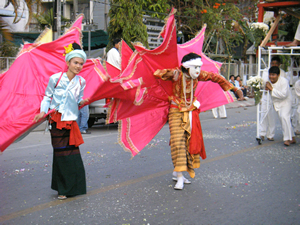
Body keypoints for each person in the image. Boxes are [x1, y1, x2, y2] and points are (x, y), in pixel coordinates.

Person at [154, 53, 242, 190]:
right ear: (186, 67)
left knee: (189, 143)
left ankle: (177, 172)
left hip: (191, 111)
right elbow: (156, 74)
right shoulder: (176, 74)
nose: (198, 71)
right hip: (176, 111)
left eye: (199, 67)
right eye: (195, 67)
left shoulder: (198, 75)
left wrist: (234, 88)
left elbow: (215, 77)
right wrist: (164, 71)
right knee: (178, 142)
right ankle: (179, 177)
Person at [33, 42, 89, 199]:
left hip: (71, 123)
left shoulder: (81, 82)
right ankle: (63, 189)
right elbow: (47, 97)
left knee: (73, 155)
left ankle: (75, 187)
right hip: (56, 121)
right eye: (75, 62)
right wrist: (43, 111)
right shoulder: (55, 79)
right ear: (68, 62)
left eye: (81, 64)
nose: (78, 66)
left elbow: (78, 101)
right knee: (61, 155)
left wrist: (83, 102)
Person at [265, 66, 296, 146]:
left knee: (284, 117)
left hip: (286, 101)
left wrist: (271, 89)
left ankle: (287, 139)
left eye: (273, 75)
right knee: (284, 120)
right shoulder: (269, 81)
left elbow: (284, 95)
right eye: (270, 75)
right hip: (277, 103)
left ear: (278, 75)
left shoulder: (284, 81)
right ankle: (292, 137)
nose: (271, 77)